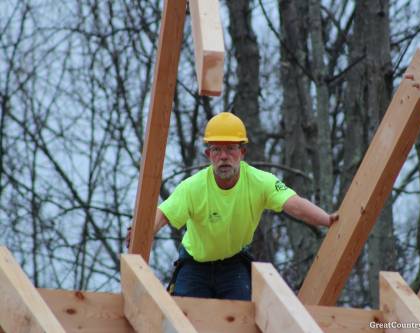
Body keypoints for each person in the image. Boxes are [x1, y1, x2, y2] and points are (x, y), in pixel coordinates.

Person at [128, 112, 339, 300]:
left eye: (230, 149)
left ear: (243, 152)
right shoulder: (193, 187)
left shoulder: (259, 182)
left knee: (242, 318)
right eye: (217, 150)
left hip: (233, 265)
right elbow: (162, 215)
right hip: (194, 265)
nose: (224, 157)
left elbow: (295, 205)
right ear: (208, 155)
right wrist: (139, 232)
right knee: (183, 317)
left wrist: (327, 220)